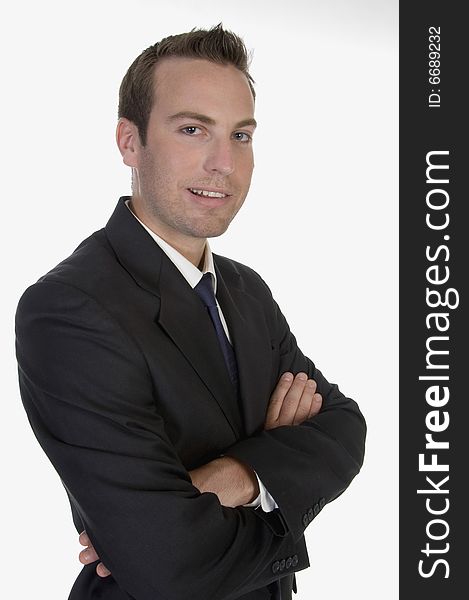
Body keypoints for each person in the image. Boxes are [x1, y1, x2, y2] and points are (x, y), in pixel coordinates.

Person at [15, 24, 366, 600]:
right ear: (130, 142)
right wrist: (282, 479)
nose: (223, 163)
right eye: (193, 130)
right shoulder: (69, 309)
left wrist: (238, 477)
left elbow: (346, 430)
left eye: (241, 134)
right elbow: (167, 560)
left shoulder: (247, 291)